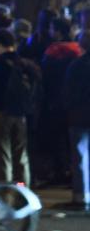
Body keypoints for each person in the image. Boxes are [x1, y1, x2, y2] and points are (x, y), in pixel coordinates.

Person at [0, 29, 40, 187]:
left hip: (1, 113)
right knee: (21, 156)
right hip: (21, 114)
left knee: (3, 156)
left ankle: (6, 193)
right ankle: (23, 191)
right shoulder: (25, 64)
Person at [39, 17, 83, 185]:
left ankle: (60, 171)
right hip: (73, 104)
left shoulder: (53, 51)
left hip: (54, 101)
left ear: (57, 31)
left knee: (57, 139)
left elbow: (46, 77)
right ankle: (72, 173)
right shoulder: (77, 50)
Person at [63, 33, 90, 211]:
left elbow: (69, 91)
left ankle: (81, 196)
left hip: (79, 115)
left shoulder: (76, 66)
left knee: (80, 157)